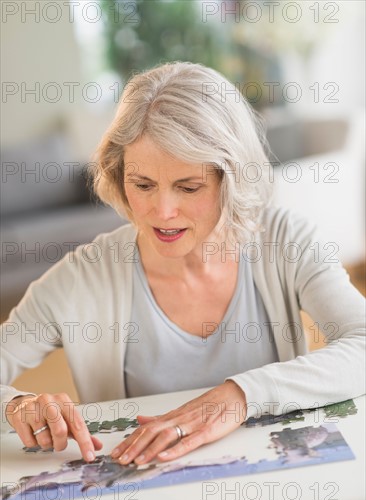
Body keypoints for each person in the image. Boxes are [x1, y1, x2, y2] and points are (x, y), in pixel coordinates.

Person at [1, 62, 365, 467]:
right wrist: (17, 404)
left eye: (188, 187)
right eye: (143, 185)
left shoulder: (285, 242)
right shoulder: (81, 278)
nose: (163, 211)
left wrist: (239, 397)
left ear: (232, 179)